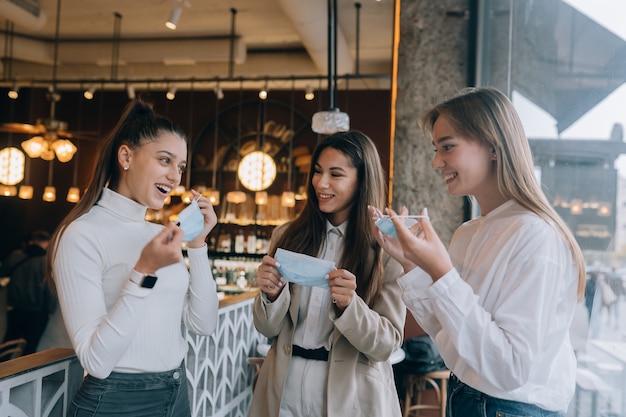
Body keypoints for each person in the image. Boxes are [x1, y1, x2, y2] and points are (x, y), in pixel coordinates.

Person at [369, 87, 586, 416]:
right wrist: (409, 262)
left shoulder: (537, 236)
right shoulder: (468, 233)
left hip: (510, 408)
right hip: (465, 395)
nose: (436, 162)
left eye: (448, 147)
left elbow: (510, 369)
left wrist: (442, 272)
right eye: (436, 149)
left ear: (493, 145)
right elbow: (447, 332)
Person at [46, 99, 219, 416]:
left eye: (180, 166)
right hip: (116, 401)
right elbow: (96, 361)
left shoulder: (158, 234)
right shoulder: (80, 235)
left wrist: (198, 245)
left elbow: (204, 324)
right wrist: (144, 271)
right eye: (165, 160)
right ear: (125, 156)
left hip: (177, 392)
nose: (174, 176)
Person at [249, 131, 406, 417]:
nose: (321, 183)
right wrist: (271, 296)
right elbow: (266, 328)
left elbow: (386, 345)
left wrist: (350, 305)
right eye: (318, 171)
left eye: (336, 174)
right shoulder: (287, 237)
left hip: (351, 398)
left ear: (361, 182)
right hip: (283, 389)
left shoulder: (385, 248)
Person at [0, 230, 54, 355]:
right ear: (47, 243)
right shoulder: (46, 262)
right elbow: (50, 288)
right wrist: (51, 308)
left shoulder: (16, 255)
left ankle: (3, 370)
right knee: (30, 345)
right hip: (37, 311)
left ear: (31, 241)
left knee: (10, 339)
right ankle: (24, 372)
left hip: (15, 306)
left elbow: (3, 272)